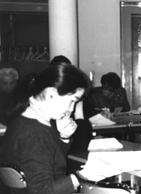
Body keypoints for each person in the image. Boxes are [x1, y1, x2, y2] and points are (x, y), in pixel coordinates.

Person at [0, 63, 90, 194]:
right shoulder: (35, 133)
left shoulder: (23, 120)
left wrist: (63, 137)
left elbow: (47, 161)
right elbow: (42, 190)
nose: (71, 109)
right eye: (72, 101)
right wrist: (81, 178)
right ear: (51, 94)